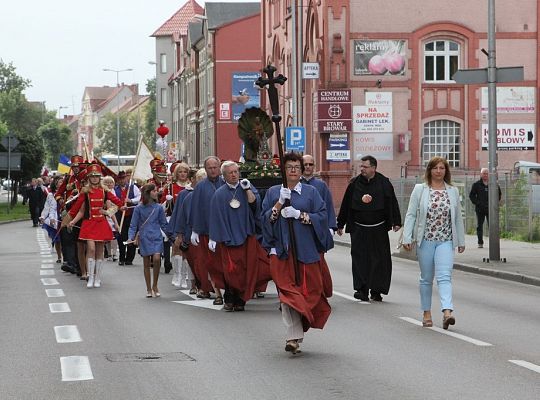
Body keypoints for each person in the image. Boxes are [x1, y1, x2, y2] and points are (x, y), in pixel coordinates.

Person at [261, 152, 333, 354]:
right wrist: (278, 205)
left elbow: (322, 215)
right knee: (286, 293)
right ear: (283, 170)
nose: (293, 170)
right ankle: (293, 336)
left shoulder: (310, 192)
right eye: (289, 167)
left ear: (302, 171)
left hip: (305, 249)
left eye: (296, 167)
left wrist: (300, 215)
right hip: (281, 250)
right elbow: (265, 221)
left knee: (308, 292)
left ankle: (299, 326)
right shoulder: (274, 192)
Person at [401, 156, 465, 330]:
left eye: (442, 168)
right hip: (426, 240)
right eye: (435, 168)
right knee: (426, 279)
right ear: (429, 170)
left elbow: (458, 217)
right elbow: (411, 214)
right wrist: (407, 237)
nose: (439, 171)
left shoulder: (452, 191)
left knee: (445, 276)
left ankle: (447, 312)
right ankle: (426, 312)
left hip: (446, 240)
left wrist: (461, 239)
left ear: (446, 171)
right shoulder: (420, 190)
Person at [336, 155, 401, 302]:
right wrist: (340, 223)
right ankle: (361, 289)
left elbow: (392, 202)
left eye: (365, 167)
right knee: (360, 259)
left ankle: (377, 290)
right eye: (361, 167)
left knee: (379, 260)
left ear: (373, 168)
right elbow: (346, 204)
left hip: (378, 229)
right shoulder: (354, 184)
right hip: (359, 228)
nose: (362, 169)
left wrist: (396, 221)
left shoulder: (384, 183)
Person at [208, 161, 262, 311]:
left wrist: (247, 190)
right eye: (230, 173)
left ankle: (240, 299)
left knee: (245, 269)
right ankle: (229, 296)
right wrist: (214, 237)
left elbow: (255, 206)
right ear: (224, 176)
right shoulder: (219, 194)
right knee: (230, 270)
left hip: (245, 235)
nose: (234, 175)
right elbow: (215, 216)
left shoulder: (246, 187)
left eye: (236, 172)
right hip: (228, 237)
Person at [67, 163, 124, 288]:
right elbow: (78, 210)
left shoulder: (105, 191)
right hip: (89, 223)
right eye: (92, 176)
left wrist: (108, 212)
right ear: (88, 178)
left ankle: (97, 277)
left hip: (101, 224)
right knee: (91, 248)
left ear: (100, 178)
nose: (94, 178)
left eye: (96, 176)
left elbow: (119, 204)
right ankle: (90, 276)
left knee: (99, 251)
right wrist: (72, 221)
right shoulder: (85, 191)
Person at [190, 156, 225, 304]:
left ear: (219, 167)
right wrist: (195, 230)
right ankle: (217, 292)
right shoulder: (200, 187)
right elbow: (196, 209)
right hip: (206, 231)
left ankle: (226, 290)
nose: (212, 170)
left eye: (215, 167)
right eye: (209, 168)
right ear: (205, 169)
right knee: (210, 264)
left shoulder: (225, 183)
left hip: (224, 232)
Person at [128, 183, 169, 298]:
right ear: (148, 193)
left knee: (156, 259)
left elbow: (164, 224)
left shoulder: (159, 208)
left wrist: (171, 235)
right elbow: (133, 225)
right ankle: (148, 288)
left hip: (156, 236)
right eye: (154, 191)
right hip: (144, 237)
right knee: (146, 262)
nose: (157, 193)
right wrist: (130, 237)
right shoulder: (138, 208)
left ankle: (155, 285)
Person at [162, 162, 190, 285]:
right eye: (180, 172)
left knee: (187, 248)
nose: (183, 174)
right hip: (174, 219)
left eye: (185, 171)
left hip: (188, 221)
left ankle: (185, 275)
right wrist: (167, 201)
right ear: (176, 174)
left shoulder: (191, 186)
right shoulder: (170, 187)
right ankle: (177, 274)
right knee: (176, 247)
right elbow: (162, 207)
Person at [301, 154, 338, 243]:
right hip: (300, 226)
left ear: (314, 166)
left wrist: (331, 227)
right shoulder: (295, 184)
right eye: (305, 164)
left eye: (310, 164)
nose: (308, 167)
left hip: (318, 226)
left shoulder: (321, 185)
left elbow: (328, 205)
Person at [469, 167, 501, 248]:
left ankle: (493, 243)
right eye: (484, 173)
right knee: (479, 226)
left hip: (491, 209)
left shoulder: (494, 184)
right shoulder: (476, 185)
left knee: (492, 226)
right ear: (481, 174)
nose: (485, 175)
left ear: (489, 175)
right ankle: (480, 242)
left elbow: (499, 194)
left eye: (487, 173)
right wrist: (477, 203)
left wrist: (495, 202)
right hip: (480, 209)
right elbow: (471, 195)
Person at [114, 169, 141, 265]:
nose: (122, 181)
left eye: (123, 178)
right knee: (121, 236)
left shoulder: (133, 188)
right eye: (120, 179)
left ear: (126, 178)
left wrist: (130, 200)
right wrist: (120, 206)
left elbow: (139, 198)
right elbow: (113, 201)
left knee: (131, 235)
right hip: (120, 215)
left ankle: (129, 258)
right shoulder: (114, 190)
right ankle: (121, 258)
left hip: (132, 215)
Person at [39, 175, 63, 263]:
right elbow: (47, 207)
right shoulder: (51, 194)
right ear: (55, 184)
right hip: (55, 219)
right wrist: (43, 216)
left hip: (64, 218)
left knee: (64, 239)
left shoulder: (66, 193)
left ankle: (66, 257)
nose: (61, 183)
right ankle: (59, 256)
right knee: (57, 240)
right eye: (59, 182)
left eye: (62, 182)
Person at [102, 175, 121, 262]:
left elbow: (119, 202)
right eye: (107, 183)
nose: (109, 184)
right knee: (108, 237)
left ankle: (114, 253)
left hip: (116, 214)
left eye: (111, 182)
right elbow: (109, 206)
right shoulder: (105, 192)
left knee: (115, 236)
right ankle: (109, 253)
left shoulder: (115, 191)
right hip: (107, 215)